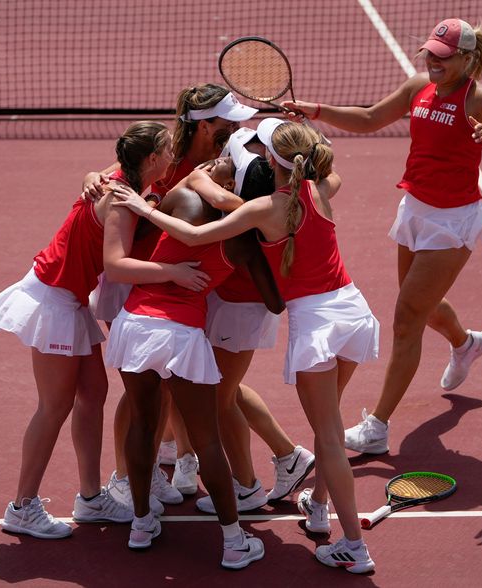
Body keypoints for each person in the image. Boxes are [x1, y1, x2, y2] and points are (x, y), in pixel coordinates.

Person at [112, 119, 378, 574]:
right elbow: (329, 171)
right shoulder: (316, 190)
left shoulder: (259, 211)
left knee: (329, 435)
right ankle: (314, 505)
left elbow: (194, 235)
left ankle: (353, 545)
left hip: (310, 326)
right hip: (353, 312)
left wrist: (144, 204)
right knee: (328, 424)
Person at [283, 18, 482, 454]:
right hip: (416, 209)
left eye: (442, 57)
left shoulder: (479, 98)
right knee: (417, 303)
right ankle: (466, 343)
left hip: (454, 220)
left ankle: (378, 427)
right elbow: (369, 119)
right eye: (430, 54)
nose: (433, 62)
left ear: (465, 58)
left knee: (406, 320)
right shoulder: (416, 87)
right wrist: (317, 112)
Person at [0, 121, 210, 539]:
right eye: (166, 150)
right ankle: (22, 506)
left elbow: (97, 181)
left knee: (93, 395)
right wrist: (172, 272)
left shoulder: (120, 178)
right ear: (152, 160)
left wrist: (94, 177)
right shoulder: (121, 202)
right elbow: (116, 266)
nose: (173, 155)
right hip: (53, 298)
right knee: (54, 406)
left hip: (68, 298)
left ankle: (89, 498)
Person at [103, 152, 281, 569]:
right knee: (207, 441)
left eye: (224, 161)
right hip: (183, 334)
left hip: (137, 325)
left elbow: (156, 228)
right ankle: (235, 542)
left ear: (230, 182)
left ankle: (142, 524)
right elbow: (274, 303)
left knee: (143, 424)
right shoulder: (246, 241)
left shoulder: (181, 196)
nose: (214, 161)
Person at [85, 84, 258, 503]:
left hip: (185, 284)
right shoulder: (167, 157)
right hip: (139, 279)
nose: (238, 126)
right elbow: (109, 177)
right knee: (143, 388)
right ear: (205, 126)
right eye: (229, 120)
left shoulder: (225, 163)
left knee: (174, 384)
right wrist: (92, 177)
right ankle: (124, 477)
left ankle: (174, 461)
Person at [193, 128, 315, 515]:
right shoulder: (281, 196)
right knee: (229, 387)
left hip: (239, 308)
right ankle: (288, 455)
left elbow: (196, 231)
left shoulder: (243, 221)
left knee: (219, 398)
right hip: (239, 306)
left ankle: (245, 487)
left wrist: (197, 176)